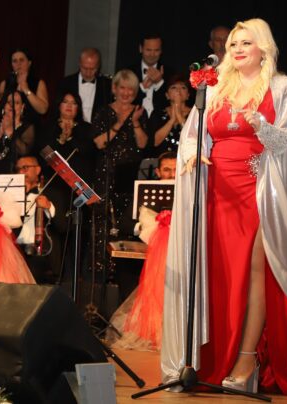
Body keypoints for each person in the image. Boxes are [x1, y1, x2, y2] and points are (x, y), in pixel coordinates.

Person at [160, 18, 287, 395]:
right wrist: (192, 154)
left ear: (263, 47)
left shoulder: (281, 88)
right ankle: (211, 357)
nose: (237, 48)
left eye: (245, 42)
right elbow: (192, 134)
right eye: (233, 43)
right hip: (217, 191)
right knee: (221, 274)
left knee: (256, 271)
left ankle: (247, 359)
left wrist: (263, 127)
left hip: (260, 189)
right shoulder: (216, 87)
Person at [107, 152, 176, 351]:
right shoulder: (146, 192)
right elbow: (125, 224)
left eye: (175, 170)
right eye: (167, 170)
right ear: (158, 172)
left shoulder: (188, 194)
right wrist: (145, 228)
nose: (171, 174)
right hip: (146, 255)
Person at [91, 69, 148, 275]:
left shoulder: (140, 112)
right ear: (114, 89)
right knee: (103, 221)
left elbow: (143, 144)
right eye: (122, 88)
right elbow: (99, 143)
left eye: (130, 89)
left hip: (129, 176)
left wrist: (134, 123)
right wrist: (120, 122)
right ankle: (100, 270)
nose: (126, 93)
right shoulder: (103, 112)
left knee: (126, 221)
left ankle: (123, 273)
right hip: (105, 173)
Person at [15, 156, 66, 284]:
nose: (21, 172)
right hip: (17, 253)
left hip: (44, 256)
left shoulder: (53, 193)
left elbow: (63, 226)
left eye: (25, 168)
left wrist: (49, 206)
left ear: (37, 170)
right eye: (18, 169)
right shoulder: (13, 195)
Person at [56, 48, 112, 123]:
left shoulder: (106, 85)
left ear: (98, 66)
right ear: (79, 64)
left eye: (92, 69)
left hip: (97, 128)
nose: (88, 73)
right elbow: (57, 110)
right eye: (85, 68)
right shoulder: (65, 83)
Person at [0, 48, 49, 124]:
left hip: (30, 126)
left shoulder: (38, 83)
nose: (18, 64)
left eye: (21, 60)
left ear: (29, 63)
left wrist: (26, 89)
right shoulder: (5, 83)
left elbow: (43, 109)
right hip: (8, 125)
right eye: (15, 61)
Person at [0, 90, 35, 174]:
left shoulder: (27, 127)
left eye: (16, 103)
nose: (12, 105)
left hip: (16, 174)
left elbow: (24, 151)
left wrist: (10, 133)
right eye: (9, 102)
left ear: (22, 107)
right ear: (4, 105)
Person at [147, 74, 191, 157]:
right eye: (173, 87)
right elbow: (155, 142)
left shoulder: (195, 113)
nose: (178, 90)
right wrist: (172, 120)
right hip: (163, 160)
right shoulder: (158, 113)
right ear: (167, 95)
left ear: (188, 95)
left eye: (183, 87)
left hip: (187, 159)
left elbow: (193, 138)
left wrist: (179, 115)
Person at [129, 33, 170, 117]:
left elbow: (172, 102)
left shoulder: (170, 73)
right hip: (132, 120)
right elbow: (123, 101)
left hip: (161, 122)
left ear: (161, 51)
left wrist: (160, 83)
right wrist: (142, 88)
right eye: (148, 50)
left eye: (156, 50)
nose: (152, 54)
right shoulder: (129, 72)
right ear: (141, 49)